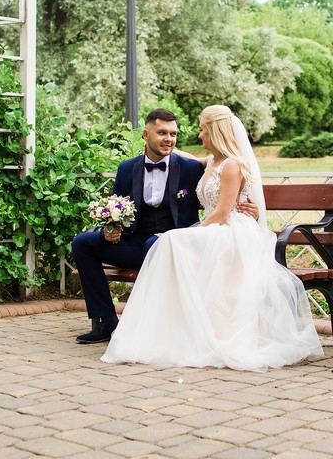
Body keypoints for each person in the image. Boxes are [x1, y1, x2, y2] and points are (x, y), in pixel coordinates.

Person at [101, 105, 323, 371]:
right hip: (213, 228)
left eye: (202, 129)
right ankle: (172, 325)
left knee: (169, 241)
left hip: (230, 231)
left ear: (214, 131)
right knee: (169, 244)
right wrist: (160, 146)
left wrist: (186, 231)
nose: (199, 135)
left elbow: (222, 213)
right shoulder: (212, 162)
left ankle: (166, 323)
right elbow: (181, 157)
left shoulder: (232, 165)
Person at [72, 107, 258, 344]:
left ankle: (148, 325)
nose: (168, 139)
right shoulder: (126, 169)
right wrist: (110, 230)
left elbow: (227, 185)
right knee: (83, 243)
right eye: (162, 133)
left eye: (173, 134)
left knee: (155, 243)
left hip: (176, 245)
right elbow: (114, 208)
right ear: (145, 135)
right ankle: (107, 321)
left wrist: (249, 209)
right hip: (133, 241)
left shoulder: (191, 168)